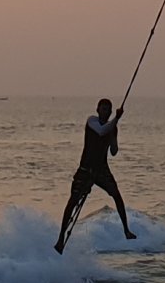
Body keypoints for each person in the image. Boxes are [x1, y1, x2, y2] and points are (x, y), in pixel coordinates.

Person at [55, 98, 137, 252]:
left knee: (117, 195)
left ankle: (126, 230)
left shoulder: (112, 127)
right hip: (86, 168)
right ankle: (60, 238)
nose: (105, 112)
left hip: (101, 169)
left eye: (108, 109)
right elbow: (101, 131)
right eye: (103, 109)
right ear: (97, 110)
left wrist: (114, 133)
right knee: (73, 201)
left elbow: (113, 151)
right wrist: (116, 119)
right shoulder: (91, 121)